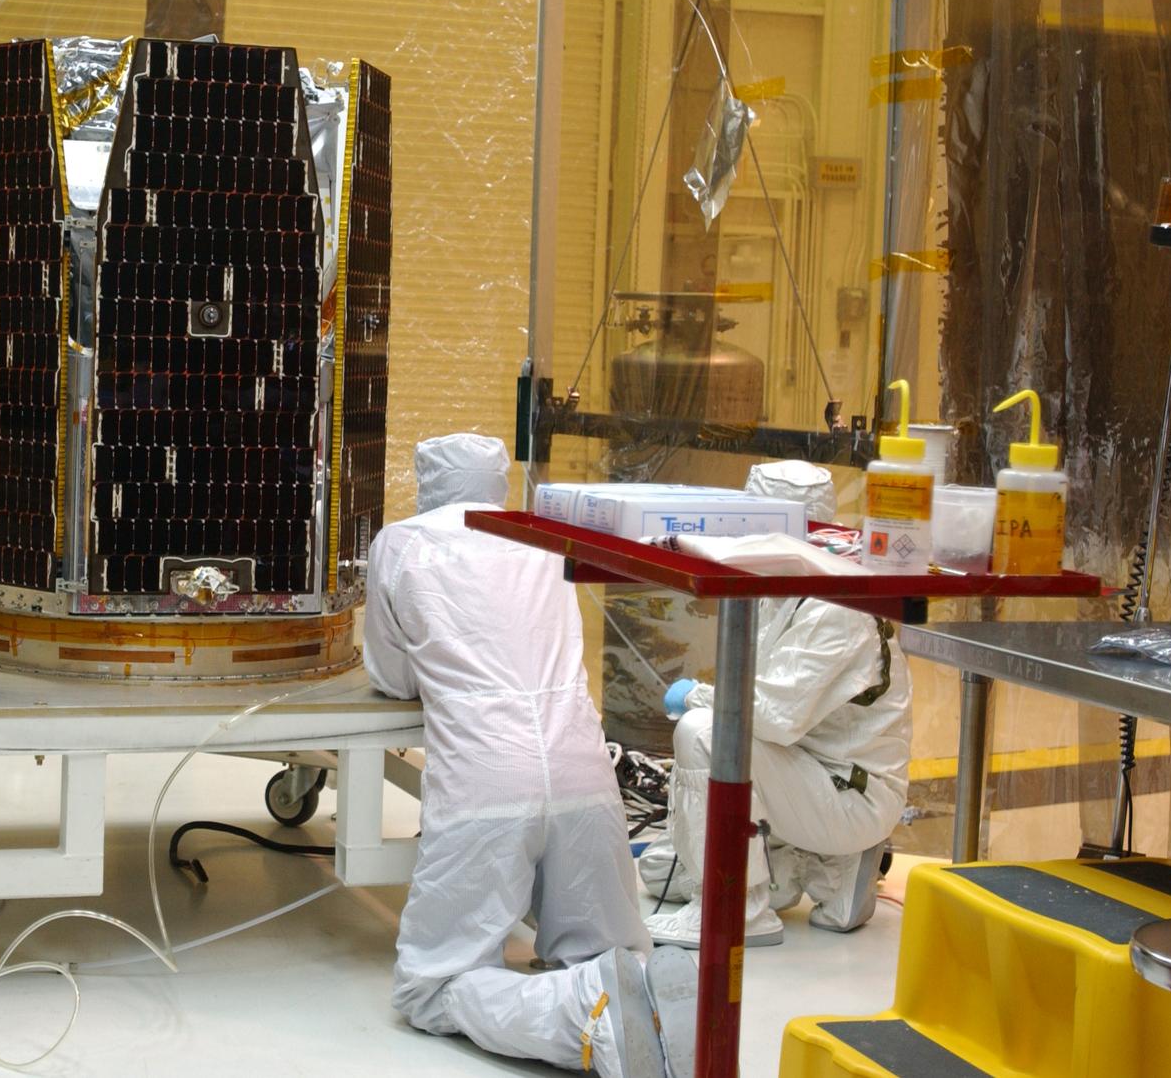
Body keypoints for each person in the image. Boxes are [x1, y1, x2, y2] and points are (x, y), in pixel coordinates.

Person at [365, 434, 695, 1078]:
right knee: (608, 950)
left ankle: (587, 1017)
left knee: (430, 988)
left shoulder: (403, 543)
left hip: (486, 782)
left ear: (427, 482)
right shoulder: (544, 539)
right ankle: (638, 1001)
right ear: (500, 482)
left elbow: (392, 675)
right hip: (586, 777)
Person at [642, 460, 912, 949]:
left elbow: (772, 715)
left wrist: (696, 696)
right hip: (800, 770)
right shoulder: (780, 581)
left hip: (847, 790)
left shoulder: (836, 604)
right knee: (659, 870)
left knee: (703, 733)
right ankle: (807, 866)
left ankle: (738, 912)